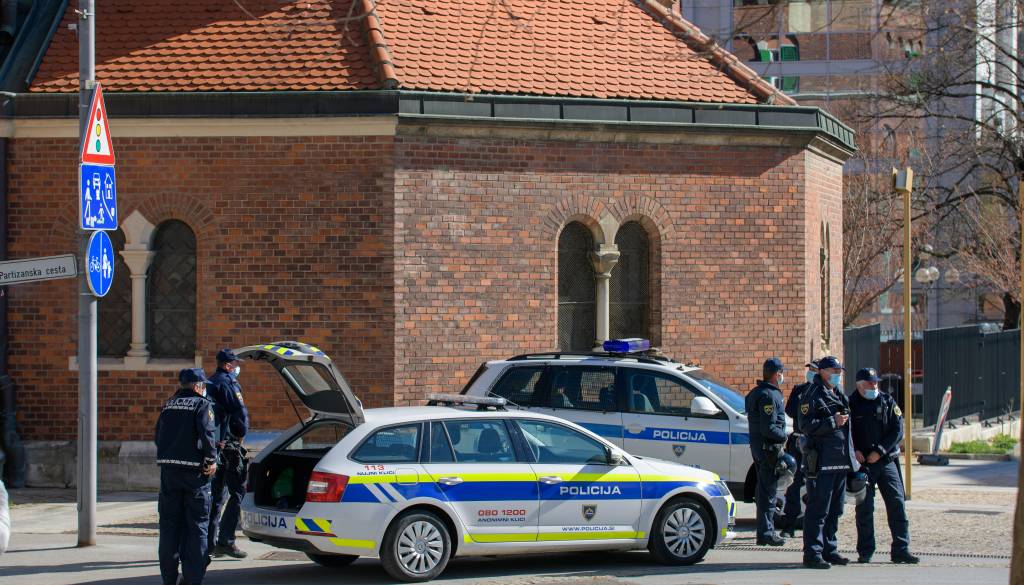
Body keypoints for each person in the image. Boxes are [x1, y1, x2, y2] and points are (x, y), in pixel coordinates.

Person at [849, 367, 920, 565]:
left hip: (886, 460)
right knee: (864, 508)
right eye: (870, 383)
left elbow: (897, 430)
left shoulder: (887, 400)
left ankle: (901, 550)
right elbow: (846, 431)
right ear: (860, 385)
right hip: (863, 464)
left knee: (897, 503)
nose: (874, 386)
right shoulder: (850, 403)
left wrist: (879, 451)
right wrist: (855, 450)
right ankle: (865, 551)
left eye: (876, 382)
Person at [156, 368, 218, 585]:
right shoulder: (202, 405)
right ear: (198, 386)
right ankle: (192, 579)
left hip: (169, 473)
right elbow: (207, 434)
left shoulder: (168, 404)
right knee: (197, 527)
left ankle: (169, 579)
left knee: (169, 527)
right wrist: (211, 460)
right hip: (195, 475)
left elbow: (158, 436)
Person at [799, 355, 856, 569]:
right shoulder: (812, 394)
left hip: (840, 460)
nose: (837, 375)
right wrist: (833, 421)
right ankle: (812, 553)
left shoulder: (838, 393)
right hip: (821, 461)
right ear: (822, 372)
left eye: (839, 372)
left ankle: (829, 550)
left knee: (835, 509)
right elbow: (806, 425)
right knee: (818, 509)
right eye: (833, 371)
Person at [206, 349, 250, 559]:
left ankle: (209, 544)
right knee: (238, 491)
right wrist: (241, 434)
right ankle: (226, 541)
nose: (237, 368)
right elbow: (238, 412)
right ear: (227, 365)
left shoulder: (209, 382)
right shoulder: (227, 383)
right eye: (235, 364)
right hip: (229, 445)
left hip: (214, 445)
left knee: (216, 496)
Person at [745, 357, 788, 546]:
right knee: (768, 493)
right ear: (776, 374)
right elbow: (768, 428)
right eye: (781, 373)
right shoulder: (769, 396)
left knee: (763, 491)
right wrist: (785, 436)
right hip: (768, 449)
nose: (783, 377)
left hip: (759, 447)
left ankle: (764, 532)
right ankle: (766, 532)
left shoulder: (757, 392)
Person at [779, 360, 819, 537]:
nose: (811, 372)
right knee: (793, 483)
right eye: (810, 369)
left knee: (816, 484)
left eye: (814, 370)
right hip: (797, 441)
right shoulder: (800, 389)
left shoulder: (825, 392)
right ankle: (789, 524)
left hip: (816, 443)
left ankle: (815, 525)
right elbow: (790, 411)